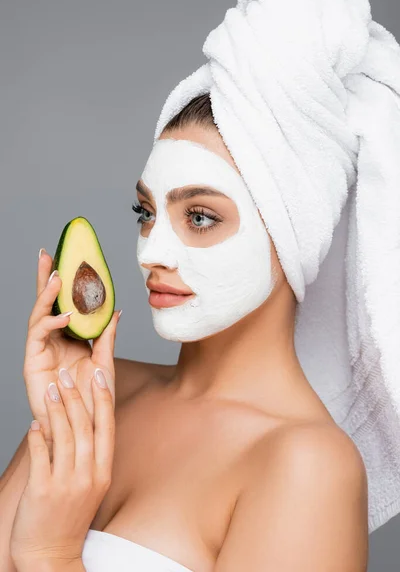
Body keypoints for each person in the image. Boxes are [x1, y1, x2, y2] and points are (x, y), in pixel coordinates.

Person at [0, 92, 368, 572]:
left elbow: (37, 552)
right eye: (146, 213)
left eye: (199, 217)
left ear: (296, 234)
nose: (151, 251)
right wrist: (56, 425)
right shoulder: (98, 389)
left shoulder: (309, 468)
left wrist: (50, 556)